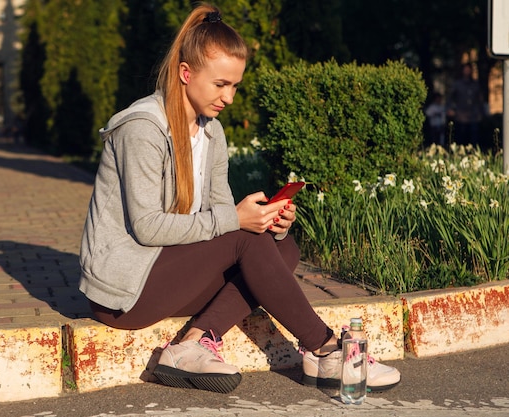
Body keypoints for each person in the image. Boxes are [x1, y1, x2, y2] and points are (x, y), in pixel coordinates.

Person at [79, 3, 400, 394]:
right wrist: (239, 222)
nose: (229, 98)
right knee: (246, 237)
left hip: (166, 275)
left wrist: (268, 221)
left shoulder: (211, 132)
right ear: (186, 73)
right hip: (123, 293)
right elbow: (148, 227)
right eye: (220, 85)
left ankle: (192, 343)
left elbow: (220, 216)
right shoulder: (143, 128)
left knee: (284, 249)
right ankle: (326, 348)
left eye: (235, 86)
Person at [446, 63, 486, 146]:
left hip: (473, 116)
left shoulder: (475, 84)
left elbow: (480, 100)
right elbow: (450, 98)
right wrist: (450, 109)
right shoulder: (457, 84)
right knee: (461, 137)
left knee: (474, 138)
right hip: (461, 115)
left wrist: (481, 113)